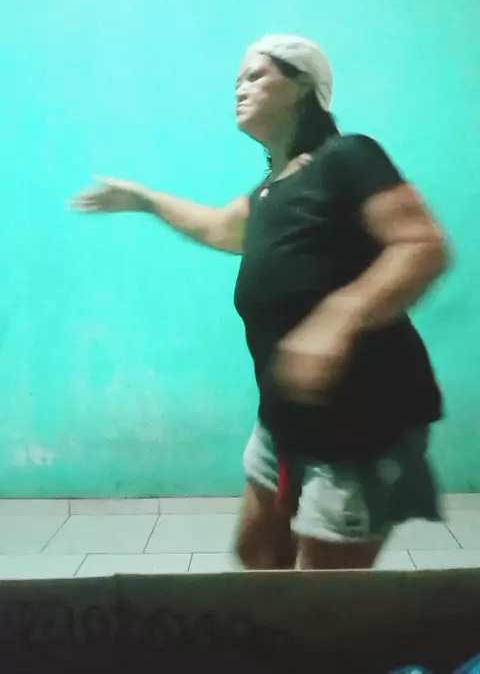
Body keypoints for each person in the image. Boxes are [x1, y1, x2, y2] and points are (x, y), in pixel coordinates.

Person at [71, 34, 449, 571]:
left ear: (302, 87)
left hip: (362, 422)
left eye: (255, 75)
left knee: (325, 594)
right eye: (238, 81)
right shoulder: (271, 190)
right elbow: (217, 227)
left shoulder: (348, 157)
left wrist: (338, 320)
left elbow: (422, 246)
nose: (239, 89)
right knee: (258, 552)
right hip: (283, 418)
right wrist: (145, 200)